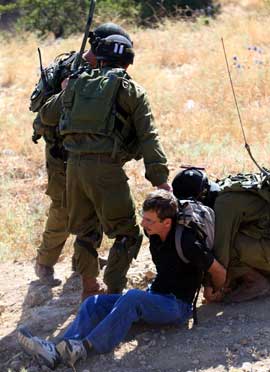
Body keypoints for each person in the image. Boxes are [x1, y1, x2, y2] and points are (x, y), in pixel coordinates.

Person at [17, 190, 226, 370]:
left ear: (167, 222)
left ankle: (85, 347)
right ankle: (56, 350)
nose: (143, 224)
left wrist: (213, 292)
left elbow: (218, 271)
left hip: (177, 307)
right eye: (143, 217)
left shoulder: (188, 242)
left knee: (133, 297)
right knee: (93, 303)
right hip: (155, 298)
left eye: (149, 220)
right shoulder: (154, 235)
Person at [39, 27, 172, 299]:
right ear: (127, 62)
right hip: (106, 171)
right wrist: (160, 180)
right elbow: (149, 137)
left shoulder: (76, 83)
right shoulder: (131, 90)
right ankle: (112, 290)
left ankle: (89, 287)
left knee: (85, 232)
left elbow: (45, 117)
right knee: (127, 234)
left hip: (73, 169)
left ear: (99, 58)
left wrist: (64, 91)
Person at [32, 23, 132, 286]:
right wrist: (65, 90)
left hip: (89, 152)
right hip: (61, 153)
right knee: (63, 210)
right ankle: (45, 263)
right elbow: (43, 116)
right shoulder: (69, 69)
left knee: (92, 207)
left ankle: (83, 262)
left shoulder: (105, 70)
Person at [172, 167, 270, 303]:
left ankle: (255, 283)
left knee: (227, 246)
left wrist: (213, 286)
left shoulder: (224, 204)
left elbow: (221, 252)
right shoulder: (226, 187)